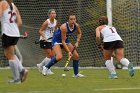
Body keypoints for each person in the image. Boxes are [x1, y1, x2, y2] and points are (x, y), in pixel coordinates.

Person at [42, 10, 85, 77]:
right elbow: (62, 41)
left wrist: (77, 42)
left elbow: (79, 33)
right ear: (68, 20)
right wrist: (68, 52)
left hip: (65, 40)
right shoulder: (64, 27)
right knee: (59, 57)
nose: (73, 21)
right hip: (57, 40)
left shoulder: (76, 26)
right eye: (71, 19)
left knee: (76, 56)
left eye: (74, 19)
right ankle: (46, 67)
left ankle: (75, 74)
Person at [0, 0, 28, 84]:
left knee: (9, 55)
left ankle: (17, 78)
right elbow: (19, 22)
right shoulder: (14, 6)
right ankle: (22, 70)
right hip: (15, 33)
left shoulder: (2, 3)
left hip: (7, 32)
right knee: (11, 54)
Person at [36, 9, 58, 75]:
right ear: (49, 15)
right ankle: (47, 69)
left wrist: (57, 33)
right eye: (52, 13)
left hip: (51, 40)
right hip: (44, 40)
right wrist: (44, 37)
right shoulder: (46, 22)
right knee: (50, 55)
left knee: (53, 55)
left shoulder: (56, 21)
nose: (53, 14)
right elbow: (40, 30)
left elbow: (55, 29)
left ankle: (40, 65)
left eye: (54, 13)